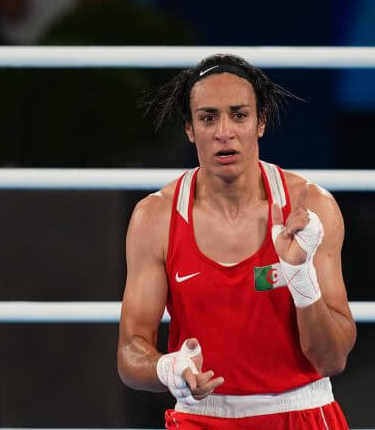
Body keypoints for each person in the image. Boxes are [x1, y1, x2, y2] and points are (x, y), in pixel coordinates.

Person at [117, 53, 356, 429]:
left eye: (239, 115)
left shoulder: (311, 208)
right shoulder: (155, 218)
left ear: (260, 123)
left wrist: (301, 278)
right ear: (190, 128)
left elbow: (332, 359)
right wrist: (168, 368)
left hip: (301, 412)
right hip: (201, 417)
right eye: (208, 118)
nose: (224, 132)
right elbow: (130, 353)